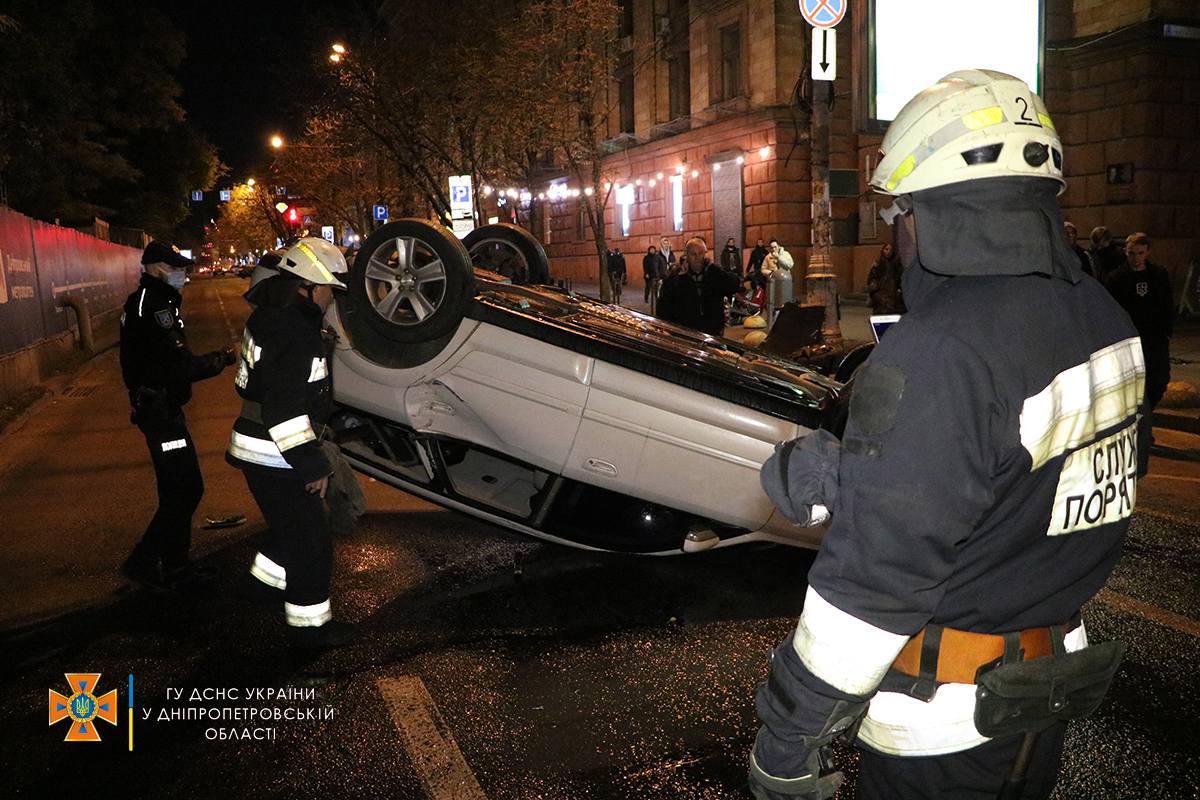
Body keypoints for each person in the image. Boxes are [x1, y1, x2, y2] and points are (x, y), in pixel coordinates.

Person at [748, 70, 1142, 800]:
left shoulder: (938, 351)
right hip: (1039, 699)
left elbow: (871, 589)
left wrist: (787, 740)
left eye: (897, 211)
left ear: (927, 213)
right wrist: (867, 475)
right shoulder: (1102, 316)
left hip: (943, 727)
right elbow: (1050, 479)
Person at [226, 238, 358, 650]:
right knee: (310, 543)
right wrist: (312, 464)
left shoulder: (271, 314)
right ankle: (310, 630)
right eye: (330, 289)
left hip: (259, 448)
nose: (332, 297)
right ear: (309, 285)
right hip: (277, 454)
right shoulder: (294, 329)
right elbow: (283, 411)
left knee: (288, 527)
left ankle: (260, 586)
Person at [119, 240, 237, 593]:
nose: (180, 274)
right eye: (174, 268)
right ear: (155, 269)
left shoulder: (149, 301)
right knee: (186, 489)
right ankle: (145, 561)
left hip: (158, 409)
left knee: (177, 490)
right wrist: (224, 358)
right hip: (162, 416)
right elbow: (181, 366)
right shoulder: (155, 307)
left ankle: (175, 566)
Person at [1105, 232, 1174, 477]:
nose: (1136, 258)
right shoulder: (1116, 279)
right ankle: (1139, 427)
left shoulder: (1157, 275)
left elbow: (1167, 304)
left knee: (1158, 381)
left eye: (1140, 253)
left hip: (1154, 339)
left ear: (1147, 252)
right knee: (1133, 387)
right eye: (1132, 253)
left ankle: (1144, 418)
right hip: (1129, 340)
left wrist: (1167, 331)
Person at [655, 236, 742, 336]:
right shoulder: (675, 277)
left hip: (712, 332)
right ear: (687, 255)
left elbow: (733, 286)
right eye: (693, 254)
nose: (697, 258)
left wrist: (714, 269)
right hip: (684, 334)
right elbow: (663, 307)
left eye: (700, 253)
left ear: (705, 254)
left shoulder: (715, 273)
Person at [866, 242, 906, 314]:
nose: (888, 252)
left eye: (890, 250)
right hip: (881, 291)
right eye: (886, 249)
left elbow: (902, 277)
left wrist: (899, 289)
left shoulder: (897, 265)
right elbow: (872, 277)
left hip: (893, 292)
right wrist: (874, 286)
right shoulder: (878, 264)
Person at [642, 245, 667, 313]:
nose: (652, 251)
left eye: (653, 249)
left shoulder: (656, 257)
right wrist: (646, 273)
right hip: (649, 274)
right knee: (648, 286)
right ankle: (646, 298)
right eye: (651, 249)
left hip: (655, 274)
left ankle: (656, 299)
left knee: (656, 287)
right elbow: (645, 265)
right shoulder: (646, 257)